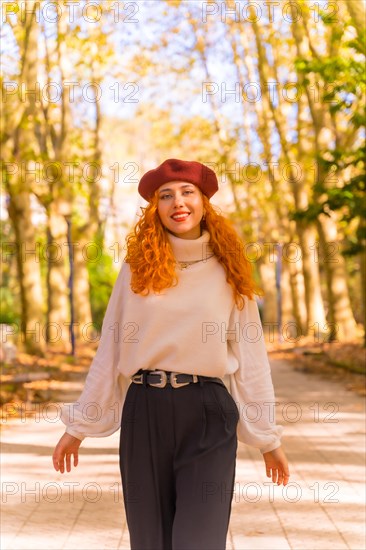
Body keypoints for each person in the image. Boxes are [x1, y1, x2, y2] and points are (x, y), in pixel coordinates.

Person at [53, 158, 290, 550]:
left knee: (199, 540)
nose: (177, 202)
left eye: (187, 192)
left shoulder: (229, 269)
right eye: (166, 195)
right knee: (151, 541)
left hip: (209, 413)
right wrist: (78, 426)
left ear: (203, 203)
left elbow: (251, 360)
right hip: (145, 411)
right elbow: (111, 349)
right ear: (155, 209)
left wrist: (268, 440)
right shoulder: (137, 269)